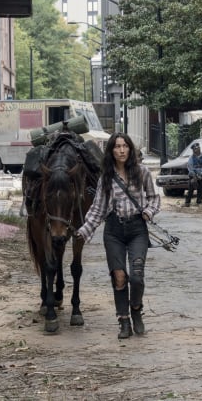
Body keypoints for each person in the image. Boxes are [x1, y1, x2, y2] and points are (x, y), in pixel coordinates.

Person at [76, 133, 161, 339]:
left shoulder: (142, 172)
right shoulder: (106, 177)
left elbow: (154, 198)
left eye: (125, 146)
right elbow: (98, 209)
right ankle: (123, 321)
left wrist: (148, 212)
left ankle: (136, 310)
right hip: (114, 231)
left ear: (130, 149)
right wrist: (83, 231)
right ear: (111, 151)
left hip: (137, 229)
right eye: (117, 147)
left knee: (137, 275)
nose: (121, 150)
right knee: (120, 277)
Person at [185, 142, 202, 207]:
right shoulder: (191, 157)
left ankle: (199, 202)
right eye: (195, 149)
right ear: (193, 150)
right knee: (190, 189)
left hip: (200, 175)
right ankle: (187, 202)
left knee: (200, 189)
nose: (196, 150)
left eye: (197, 148)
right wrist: (194, 175)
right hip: (193, 175)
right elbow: (190, 167)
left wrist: (201, 173)